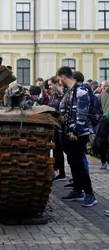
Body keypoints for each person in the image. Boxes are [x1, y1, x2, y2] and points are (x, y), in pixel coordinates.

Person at [57, 66, 97, 207]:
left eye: (59, 79)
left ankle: (90, 194)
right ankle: (77, 190)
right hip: (70, 133)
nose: (59, 82)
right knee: (73, 162)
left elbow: (82, 114)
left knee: (79, 164)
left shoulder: (80, 91)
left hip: (78, 134)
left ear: (63, 76)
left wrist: (75, 132)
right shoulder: (70, 91)